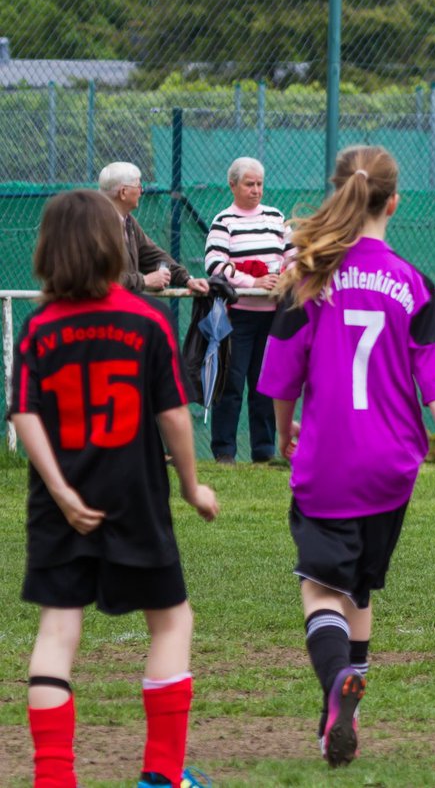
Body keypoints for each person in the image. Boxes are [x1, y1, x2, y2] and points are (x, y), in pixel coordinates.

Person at [257, 145, 435, 767]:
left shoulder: (308, 275)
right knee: (357, 591)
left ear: (338, 192)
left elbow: (280, 378)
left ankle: (335, 685)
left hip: (330, 458)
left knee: (319, 588)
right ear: (394, 201)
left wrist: (283, 432)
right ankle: (346, 702)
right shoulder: (412, 282)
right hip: (394, 465)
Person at [11, 190, 219, 788]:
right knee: (172, 622)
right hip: (136, 500)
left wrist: (61, 490)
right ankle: (160, 775)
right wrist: (191, 486)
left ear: (49, 248)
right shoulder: (145, 319)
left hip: (60, 507)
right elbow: (174, 415)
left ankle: (54, 779)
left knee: (58, 630)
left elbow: (24, 416)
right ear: (110, 245)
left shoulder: (39, 328)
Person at [203, 157, 293, 464]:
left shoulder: (275, 217)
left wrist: (287, 276)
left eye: (259, 184)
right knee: (230, 385)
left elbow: (294, 257)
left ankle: (264, 452)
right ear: (233, 185)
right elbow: (215, 266)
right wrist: (253, 281)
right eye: (249, 184)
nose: (256, 190)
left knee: (265, 385)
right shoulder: (223, 221)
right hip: (236, 317)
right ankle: (224, 452)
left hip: (273, 317)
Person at [99, 162, 210, 297]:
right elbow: (100, 279)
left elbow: (152, 256)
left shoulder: (127, 221)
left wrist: (187, 279)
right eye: (138, 186)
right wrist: (144, 281)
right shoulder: (96, 225)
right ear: (123, 192)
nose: (141, 191)